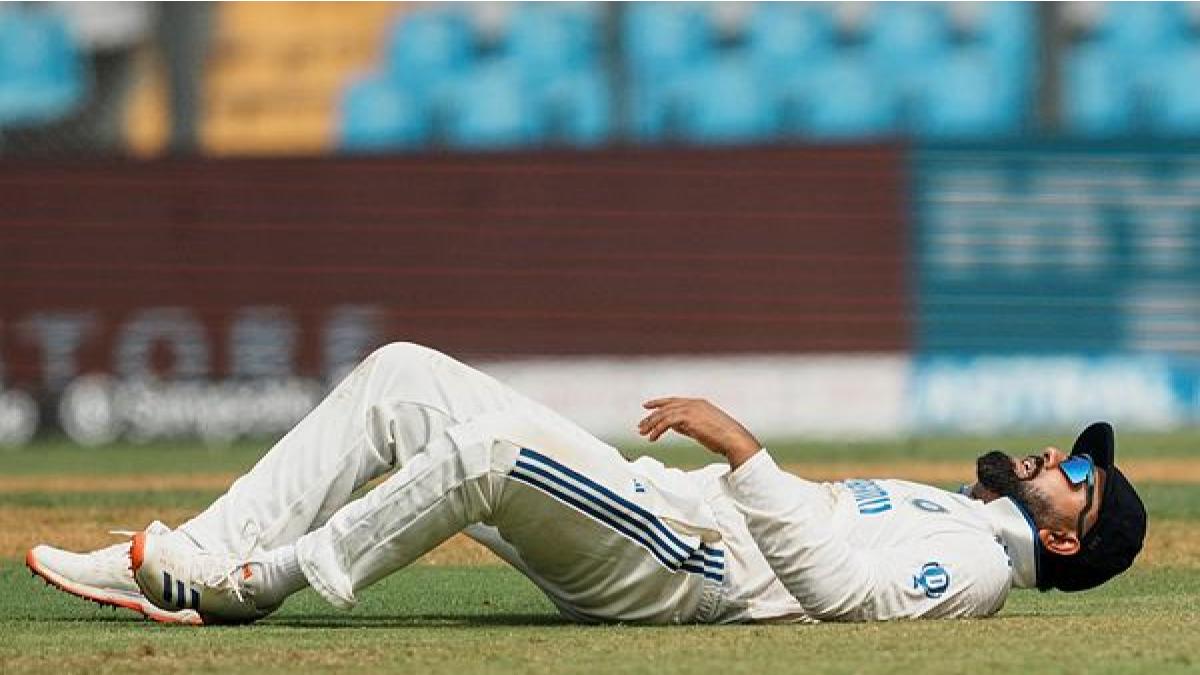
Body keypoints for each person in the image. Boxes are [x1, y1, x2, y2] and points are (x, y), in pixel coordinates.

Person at [27, 342, 1147, 626]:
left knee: (491, 453)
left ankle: (260, 580)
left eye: (1077, 475)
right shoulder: (960, 511)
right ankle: (198, 554)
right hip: (666, 516)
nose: (1058, 457)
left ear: (1062, 542)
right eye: (1074, 451)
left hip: (691, 566)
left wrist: (745, 451)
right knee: (402, 376)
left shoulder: (976, 574)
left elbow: (846, 598)